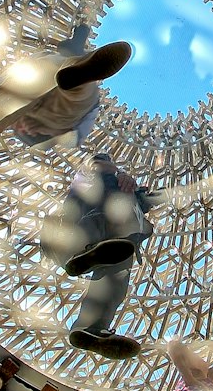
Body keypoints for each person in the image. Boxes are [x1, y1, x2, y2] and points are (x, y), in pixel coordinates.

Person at [0, 27, 132, 187]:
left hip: (25, 88)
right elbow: (74, 137)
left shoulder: (51, 55)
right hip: (53, 117)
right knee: (79, 91)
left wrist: (80, 32)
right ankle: (78, 77)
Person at [40, 152, 161, 360]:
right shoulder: (93, 175)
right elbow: (96, 165)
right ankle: (80, 251)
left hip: (112, 239)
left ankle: (92, 329)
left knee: (117, 273)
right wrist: (120, 173)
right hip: (81, 226)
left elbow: (141, 206)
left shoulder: (130, 203)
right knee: (101, 214)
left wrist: (143, 197)